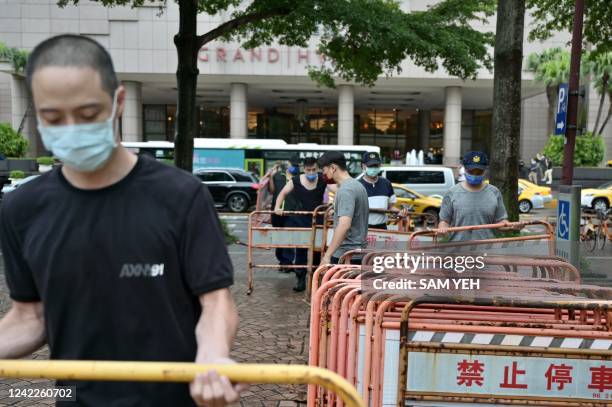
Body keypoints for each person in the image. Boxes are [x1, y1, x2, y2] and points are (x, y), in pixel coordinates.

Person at [0, 34, 245, 406]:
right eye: (53, 117)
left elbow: (215, 302)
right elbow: (30, 316)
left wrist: (212, 356)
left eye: (87, 114)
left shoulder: (180, 195)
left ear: (118, 102)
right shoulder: (21, 209)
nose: (71, 128)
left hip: (175, 400)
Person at [274, 157, 328, 292]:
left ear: (318, 169)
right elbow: (283, 193)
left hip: (318, 220)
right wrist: (277, 207)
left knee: (317, 252)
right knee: (301, 251)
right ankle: (300, 280)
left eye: (314, 170)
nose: (311, 172)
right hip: (300, 219)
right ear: (304, 169)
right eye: (308, 170)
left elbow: (339, 188)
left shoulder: (323, 179)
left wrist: (334, 205)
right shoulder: (296, 180)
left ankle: (316, 280)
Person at [438, 151, 509, 241]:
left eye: (479, 172)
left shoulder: (494, 192)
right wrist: (442, 228)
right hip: (458, 250)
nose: (475, 174)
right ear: (464, 169)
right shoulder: (451, 193)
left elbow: (501, 222)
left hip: (487, 248)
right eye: (471, 171)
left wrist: (512, 226)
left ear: (485, 170)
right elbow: (444, 221)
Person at [317, 151, 369, 265]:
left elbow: (344, 225)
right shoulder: (358, 185)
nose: (323, 174)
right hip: (358, 253)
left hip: (346, 255)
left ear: (333, 168)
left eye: (324, 170)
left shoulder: (346, 190)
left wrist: (327, 256)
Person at [358, 151, 408, 229]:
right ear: (363, 166)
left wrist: (400, 212)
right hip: (361, 228)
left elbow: (390, 207)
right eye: (370, 166)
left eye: (376, 165)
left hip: (382, 228)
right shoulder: (357, 185)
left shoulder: (386, 183)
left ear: (380, 165)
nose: (374, 168)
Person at [267, 160, 299, 272]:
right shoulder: (277, 176)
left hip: (291, 212)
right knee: (279, 237)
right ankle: (282, 261)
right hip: (276, 212)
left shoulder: (298, 178)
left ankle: (288, 262)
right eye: (290, 165)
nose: (292, 167)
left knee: (288, 237)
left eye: (293, 165)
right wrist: (270, 177)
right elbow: (271, 191)